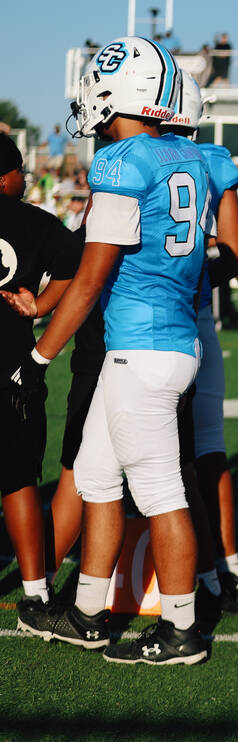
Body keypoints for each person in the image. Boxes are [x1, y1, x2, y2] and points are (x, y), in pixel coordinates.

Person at [21, 37, 214, 665]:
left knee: (159, 492)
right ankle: (87, 612)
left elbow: (90, 278)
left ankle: (182, 628)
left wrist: (40, 358)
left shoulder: (123, 160)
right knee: (99, 476)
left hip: (141, 346)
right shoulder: (189, 155)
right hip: (163, 339)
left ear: (115, 93)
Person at [162, 72, 238, 602]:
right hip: (197, 317)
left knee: (157, 463)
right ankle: (220, 565)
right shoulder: (213, 161)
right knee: (203, 450)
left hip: (149, 322)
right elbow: (234, 256)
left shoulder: (131, 157)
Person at [0, 133, 81, 633]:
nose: (25, 179)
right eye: (19, 172)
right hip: (11, 367)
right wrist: (42, 306)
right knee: (18, 481)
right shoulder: (33, 221)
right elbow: (76, 269)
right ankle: (34, 595)